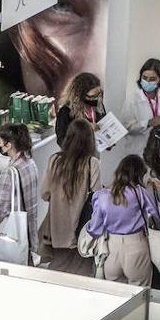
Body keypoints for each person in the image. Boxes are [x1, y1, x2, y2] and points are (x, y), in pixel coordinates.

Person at [85, 155, 160, 286]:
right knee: (139, 296)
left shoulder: (102, 196)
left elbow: (94, 229)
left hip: (111, 250)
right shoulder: (140, 193)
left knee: (115, 296)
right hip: (136, 247)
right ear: (139, 174)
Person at [40, 118, 101, 275]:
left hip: (57, 231)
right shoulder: (92, 163)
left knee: (57, 275)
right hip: (82, 232)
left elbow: (44, 193)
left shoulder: (55, 160)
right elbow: (97, 197)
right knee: (82, 276)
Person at [0, 122, 40, 257]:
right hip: (29, 235)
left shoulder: (9, 173)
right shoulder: (31, 163)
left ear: (8, 145)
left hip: (12, 239)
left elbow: (0, 212)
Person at [54, 72, 104, 148]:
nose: (97, 98)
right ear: (79, 95)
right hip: (75, 155)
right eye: (92, 96)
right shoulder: (66, 111)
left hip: (94, 151)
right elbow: (61, 141)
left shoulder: (97, 105)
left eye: (99, 94)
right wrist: (85, 130)